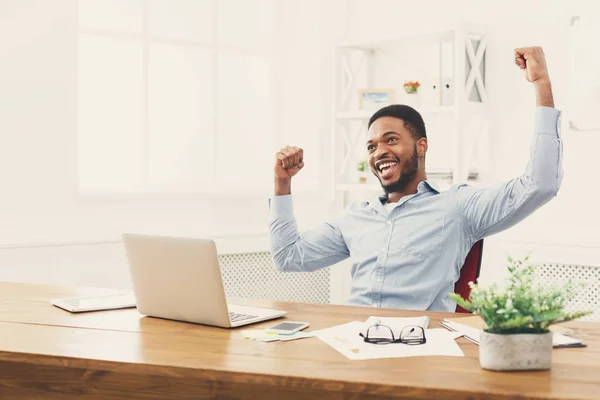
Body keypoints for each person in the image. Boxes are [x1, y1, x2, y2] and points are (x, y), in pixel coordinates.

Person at [269, 46, 562, 312]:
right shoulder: (355, 216)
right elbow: (288, 257)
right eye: (371, 146)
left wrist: (542, 85)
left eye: (391, 140)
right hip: (354, 341)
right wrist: (282, 183)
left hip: (418, 347)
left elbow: (540, 184)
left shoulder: (457, 207)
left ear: (421, 146)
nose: (379, 152)